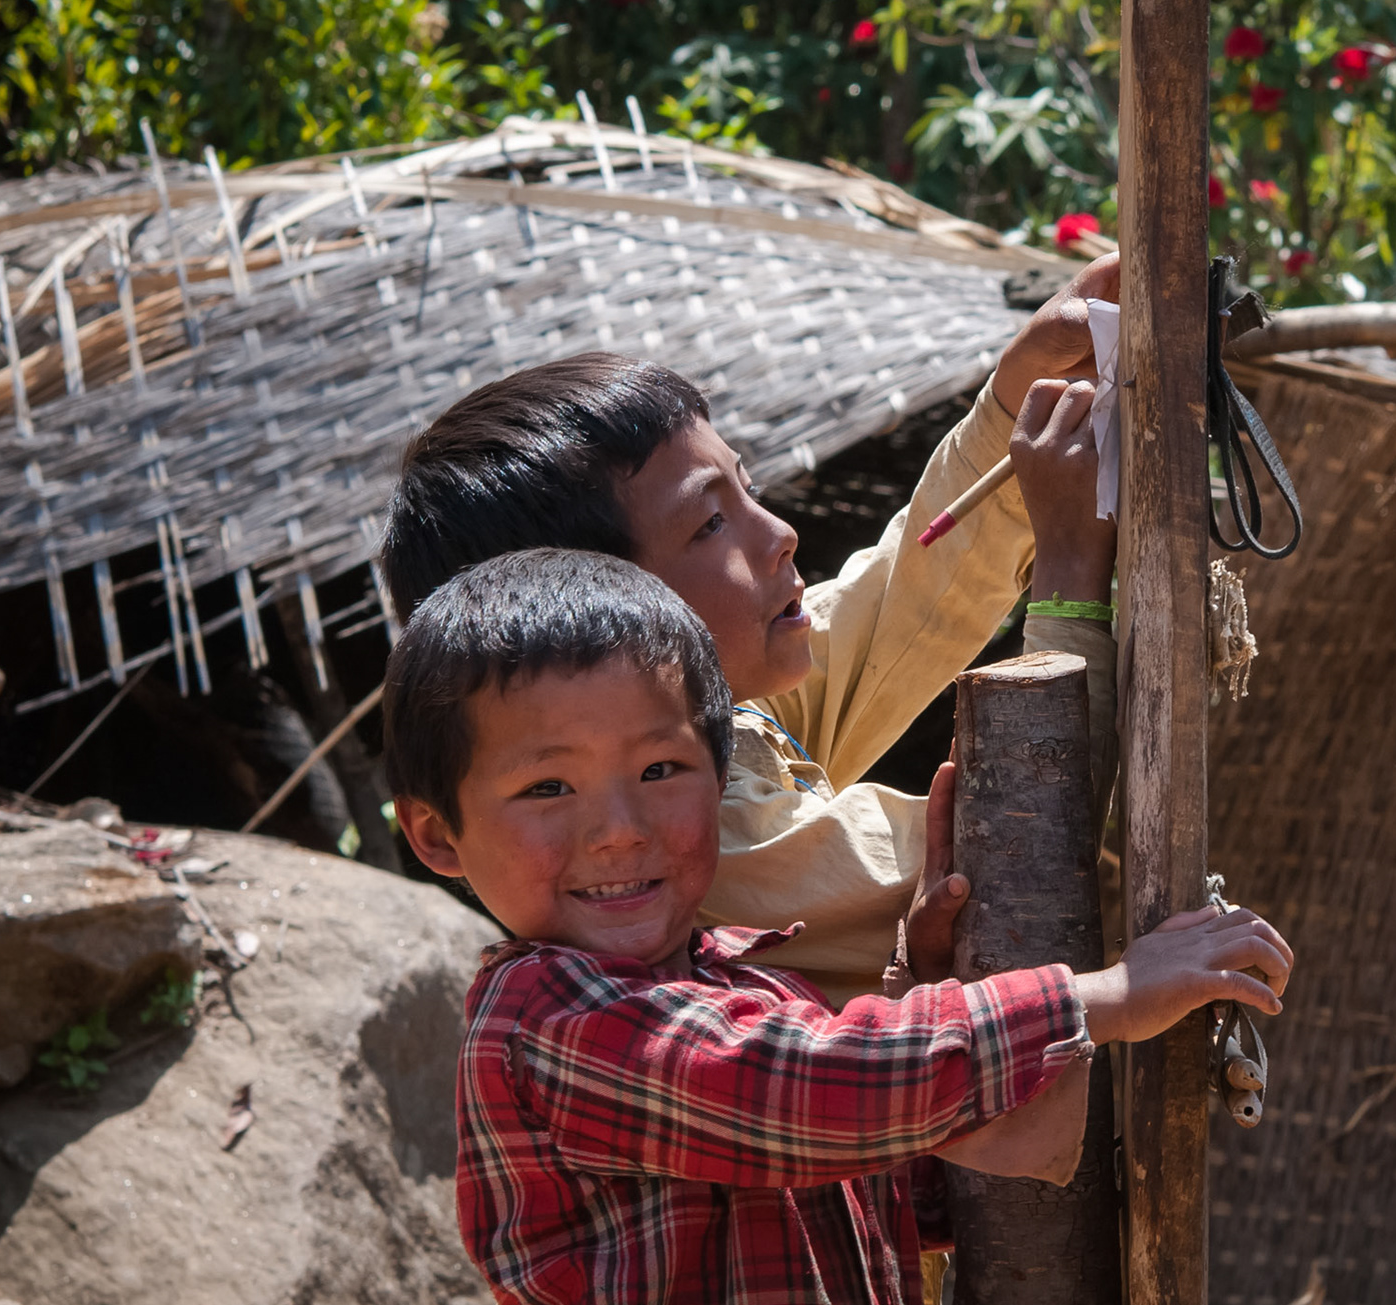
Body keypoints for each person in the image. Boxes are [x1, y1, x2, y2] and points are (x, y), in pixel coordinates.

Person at [387, 548, 1293, 1305]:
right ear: (438, 834)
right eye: (547, 788)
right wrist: (1100, 996)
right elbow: (800, 1094)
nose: (619, 828)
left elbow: (879, 1178)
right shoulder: (543, 1015)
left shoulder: (758, 996)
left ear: (723, 775)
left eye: (661, 768)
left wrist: (918, 991)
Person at [380, 256, 1122, 1008]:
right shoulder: (694, 834)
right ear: (600, 607)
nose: (781, 534)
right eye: (710, 523)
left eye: (750, 490)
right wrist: (1069, 576)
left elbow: (903, 599)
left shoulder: (728, 721)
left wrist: (1011, 401)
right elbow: (1021, 857)